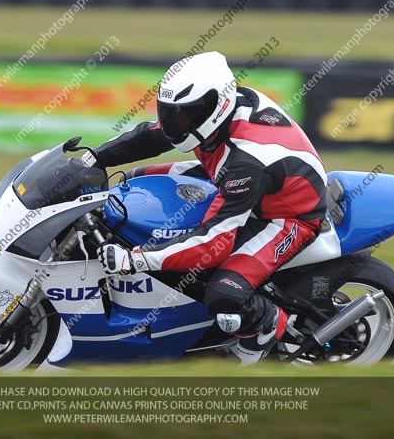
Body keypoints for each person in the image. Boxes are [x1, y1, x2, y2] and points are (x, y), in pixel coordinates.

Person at [94, 51, 327, 364]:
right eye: (171, 112)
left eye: (185, 115)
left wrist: (136, 259)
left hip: (284, 216)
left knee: (224, 294)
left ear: (216, 106)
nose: (175, 123)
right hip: (226, 172)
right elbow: (152, 136)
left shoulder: (246, 161)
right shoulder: (214, 116)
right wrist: (93, 159)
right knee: (136, 180)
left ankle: (269, 326)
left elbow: (213, 242)